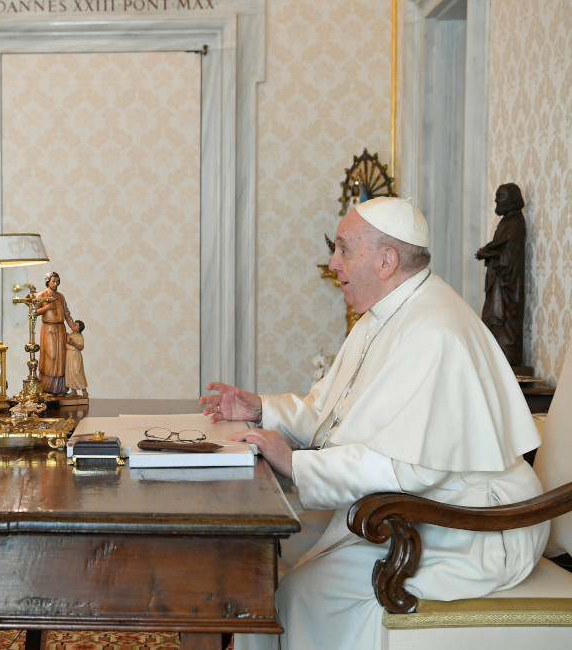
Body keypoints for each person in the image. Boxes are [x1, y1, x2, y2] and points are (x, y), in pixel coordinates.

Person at [199, 197, 546, 650]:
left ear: (386, 260)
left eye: (344, 249)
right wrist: (261, 408)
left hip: (475, 525)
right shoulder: (382, 315)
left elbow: (412, 470)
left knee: (305, 592)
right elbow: (333, 413)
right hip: (421, 509)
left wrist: (296, 464)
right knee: (257, 553)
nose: (332, 263)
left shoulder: (434, 332)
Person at [476, 183, 526, 366]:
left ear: (513, 199)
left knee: (502, 323)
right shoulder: (506, 222)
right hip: (496, 284)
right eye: (497, 195)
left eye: (501, 196)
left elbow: (510, 257)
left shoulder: (516, 223)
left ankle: (506, 361)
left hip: (506, 286)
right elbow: (500, 246)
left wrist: (489, 253)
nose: (496, 200)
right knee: (491, 322)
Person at [36, 271, 78, 395]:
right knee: (52, 355)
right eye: (53, 281)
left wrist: (73, 326)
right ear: (47, 281)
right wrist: (47, 307)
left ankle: (59, 388)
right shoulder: (42, 295)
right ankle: (46, 386)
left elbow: (66, 313)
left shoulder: (60, 296)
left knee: (61, 357)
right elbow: (35, 311)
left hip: (60, 328)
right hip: (48, 329)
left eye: (57, 281)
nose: (55, 283)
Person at [64, 319, 88, 401]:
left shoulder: (80, 337)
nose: (73, 325)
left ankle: (84, 390)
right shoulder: (70, 334)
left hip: (75, 355)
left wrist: (73, 343)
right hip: (69, 355)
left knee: (77, 372)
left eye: (75, 325)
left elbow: (81, 347)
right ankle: (73, 391)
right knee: (69, 373)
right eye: (73, 324)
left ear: (79, 329)